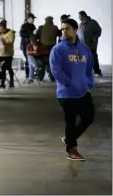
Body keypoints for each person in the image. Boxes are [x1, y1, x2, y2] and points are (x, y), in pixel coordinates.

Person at [49, 18, 95, 161]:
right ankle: (72, 150)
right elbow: (56, 70)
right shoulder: (58, 49)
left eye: (67, 28)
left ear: (75, 30)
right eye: (62, 28)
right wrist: (69, 83)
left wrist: (89, 84)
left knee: (89, 116)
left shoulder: (84, 49)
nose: (63, 31)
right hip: (67, 93)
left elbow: (89, 68)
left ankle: (70, 138)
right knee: (71, 121)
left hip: (83, 91)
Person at [78, 11, 103, 77]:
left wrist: (94, 37)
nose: (79, 18)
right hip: (82, 45)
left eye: (79, 16)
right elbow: (78, 34)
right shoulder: (80, 25)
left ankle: (97, 71)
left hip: (91, 45)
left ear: (83, 16)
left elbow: (99, 31)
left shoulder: (92, 23)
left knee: (93, 58)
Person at [0, 20, 16, 88]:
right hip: (1, 54)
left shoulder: (11, 33)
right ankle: (2, 83)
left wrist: (3, 42)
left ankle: (11, 82)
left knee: (9, 68)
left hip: (8, 54)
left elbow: (11, 42)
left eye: (0, 28)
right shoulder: (0, 33)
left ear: (3, 27)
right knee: (2, 69)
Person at [19, 13, 36, 79]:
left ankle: (31, 75)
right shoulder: (24, 25)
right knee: (27, 59)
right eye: (32, 18)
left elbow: (34, 34)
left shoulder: (33, 26)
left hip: (31, 45)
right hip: (25, 45)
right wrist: (29, 36)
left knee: (30, 59)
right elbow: (21, 33)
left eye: (33, 19)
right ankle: (27, 74)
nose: (33, 20)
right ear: (28, 18)